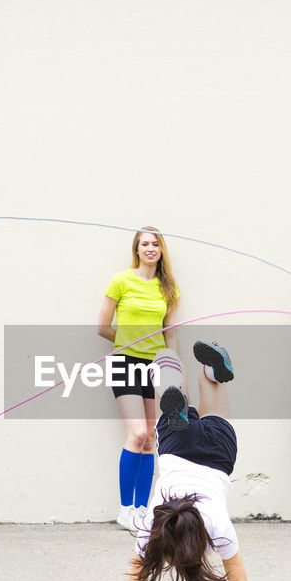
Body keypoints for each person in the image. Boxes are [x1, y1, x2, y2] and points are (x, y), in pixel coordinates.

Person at [127, 340, 255, 581]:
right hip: (176, 447)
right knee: (165, 359)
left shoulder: (217, 526)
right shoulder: (151, 525)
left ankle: (211, 371)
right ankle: (174, 391)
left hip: (219, 452)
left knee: (212, 383)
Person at [97, 228, 179, 532]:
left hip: (155, 366)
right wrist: (129, 340)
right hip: (125, 363)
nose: (150, 248)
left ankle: (143, 510)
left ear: (161, 250)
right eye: (145, 243)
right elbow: (102, 327)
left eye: (155, 244)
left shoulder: (168, 288)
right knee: (137, 432)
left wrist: (173, 368)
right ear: (137, 249)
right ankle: (125, 508)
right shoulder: (121, 281)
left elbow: (170, 333)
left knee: (151, 439)